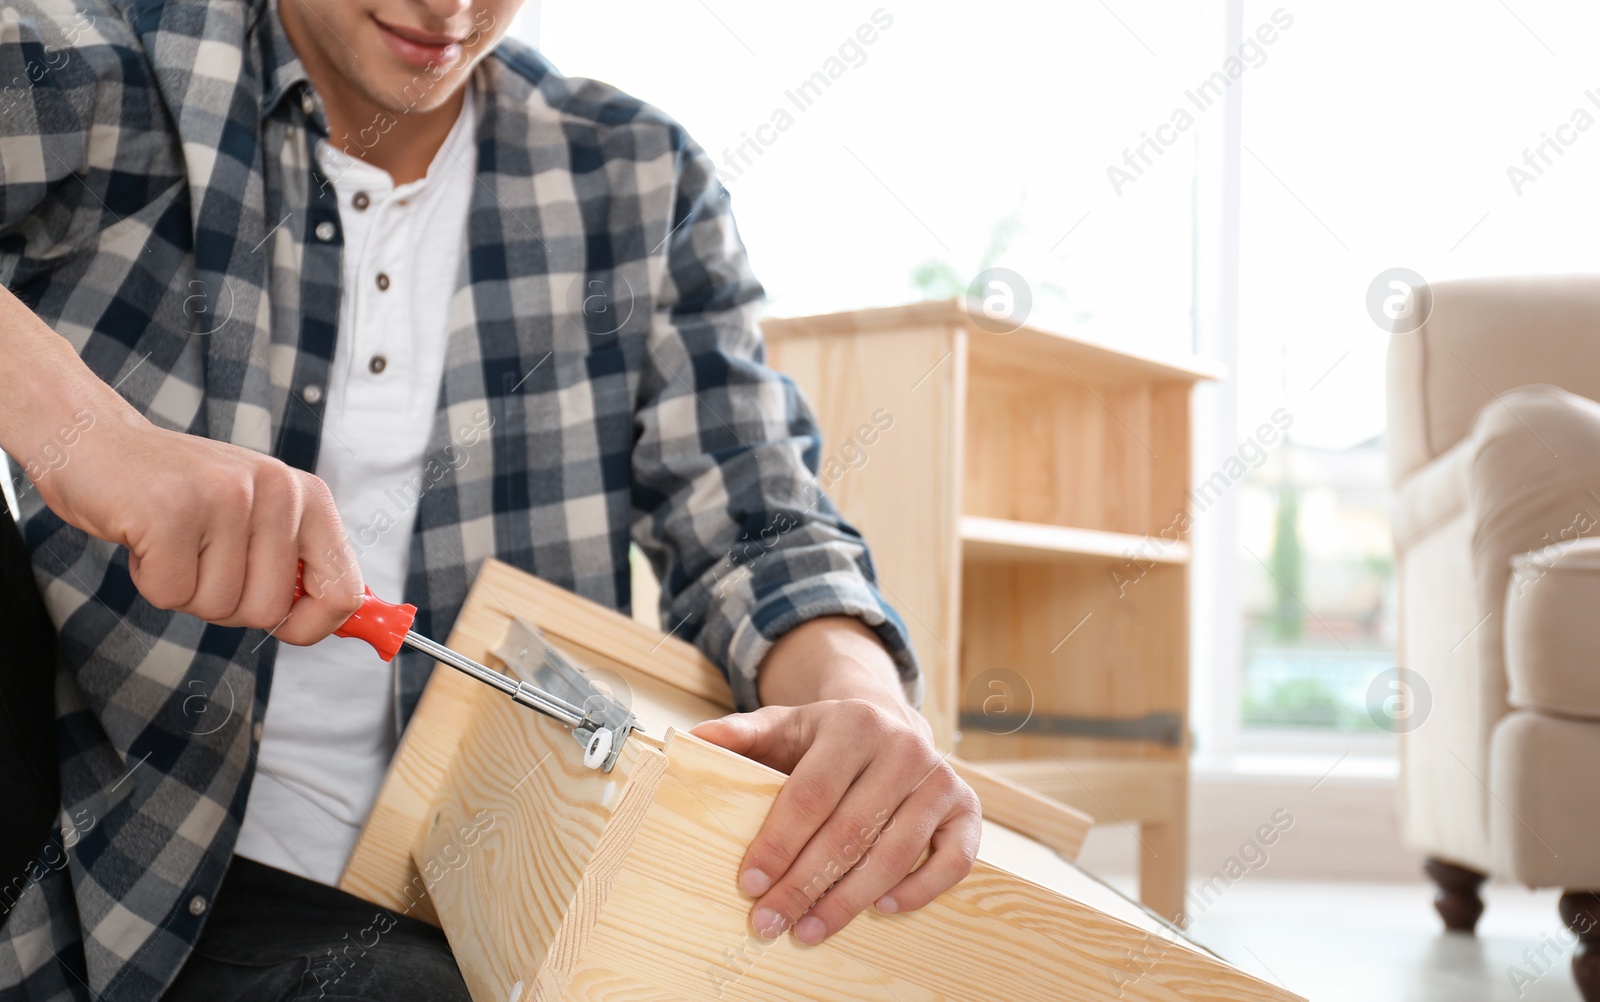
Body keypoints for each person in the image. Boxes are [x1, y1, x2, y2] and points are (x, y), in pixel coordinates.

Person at [0, 1, 982, 999]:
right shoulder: (110, 60)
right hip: (98, 871)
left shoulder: (639, 177)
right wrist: (87, 434)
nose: (450, 11)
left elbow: (755, 518)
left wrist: (861, 705)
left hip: (456, 912)